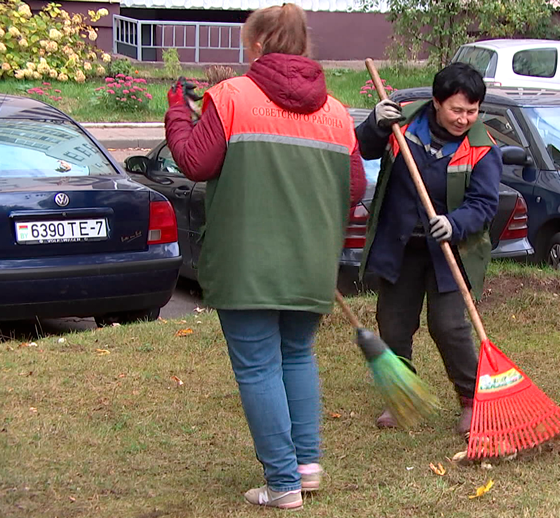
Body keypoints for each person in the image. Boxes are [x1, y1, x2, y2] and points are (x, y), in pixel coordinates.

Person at [163, 3, 366, 509]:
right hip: (311, 261)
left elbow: (193, 161)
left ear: (256, 45)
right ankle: (306, 464)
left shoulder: (230, 96)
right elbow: (355, 185)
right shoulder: (338, 112)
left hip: (247, 261)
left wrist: (176, 109)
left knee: (257, 367)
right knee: (296, 355)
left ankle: (282, 483)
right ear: (304, 46)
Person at [355, 63, 502, 435]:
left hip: (450, 251)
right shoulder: (401, 128)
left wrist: (455, 223)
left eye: (472, 111)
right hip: (400, 246)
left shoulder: (482, 147)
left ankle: (471, 399)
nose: (464, 118)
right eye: (457, 109)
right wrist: (375, 122)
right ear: (436, 102)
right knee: (394, 323)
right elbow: (364, 149)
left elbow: (484, 205)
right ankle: (402, 395)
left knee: (449, 326)